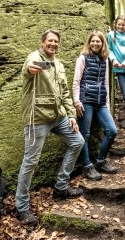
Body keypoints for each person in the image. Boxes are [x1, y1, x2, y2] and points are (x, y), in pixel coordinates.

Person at [15, 29, 85, 227]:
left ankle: (61, 187)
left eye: (56, 42)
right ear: (42, 42)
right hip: (37, 118)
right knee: (31, 161)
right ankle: (22, 207)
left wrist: (71, 115)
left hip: (58, 116)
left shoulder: (59, 65)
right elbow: (27, 69)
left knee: (77, 141)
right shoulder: (35, 57)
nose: (53, 44)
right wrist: (30, 68)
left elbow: (64, 92)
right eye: (50, 41)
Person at [72, 31, 118, 181]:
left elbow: (105, 83)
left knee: (112, 131)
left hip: (101, 103)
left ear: (103, 43)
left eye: (98, 41)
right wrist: (77, 102)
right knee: (84, 134)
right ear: (89, 43)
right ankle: (87, 166)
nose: (95, 44)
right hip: (86, 101)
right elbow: (76, 82)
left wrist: (107, 104)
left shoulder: (104, 60)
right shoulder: (82, 58)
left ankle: (100, 161)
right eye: (93, 41)